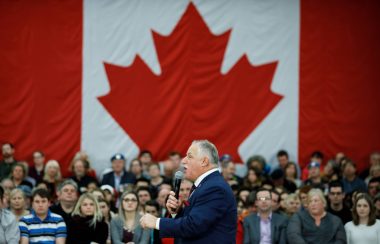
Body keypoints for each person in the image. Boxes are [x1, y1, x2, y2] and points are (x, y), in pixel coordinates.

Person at [140, 140, 237, 243]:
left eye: (189, 156)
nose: (183, 161)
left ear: (204, 161)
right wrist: (177, 212)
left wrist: (157, 222)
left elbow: (194, 225)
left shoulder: (214, 188)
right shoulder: (206, 184)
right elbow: (198, 222)